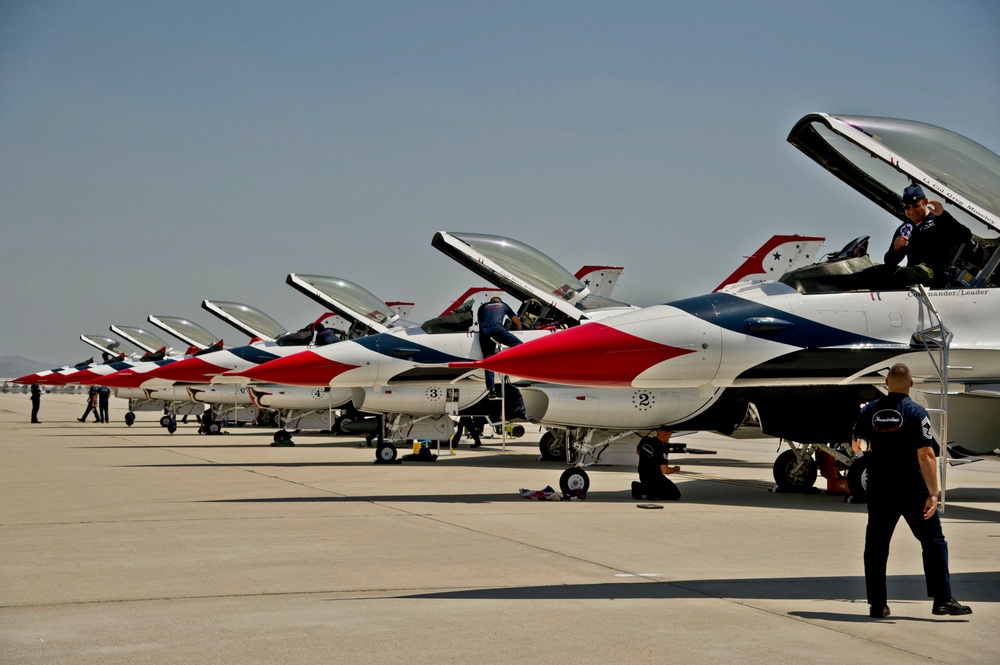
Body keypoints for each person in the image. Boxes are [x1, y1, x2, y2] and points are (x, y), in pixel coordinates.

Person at [852, 363, 971, 618]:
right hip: (911, 488)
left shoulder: (869, 411)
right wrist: (934, 492)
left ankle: (877, 603)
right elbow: (926, 454)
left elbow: (856, 445)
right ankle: (942, 600)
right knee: (933, 541)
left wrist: (875, 446)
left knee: (876, 544)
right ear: (911, 384)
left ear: (886, 383)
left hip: (880, 487)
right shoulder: (917, 412)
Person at [880, 184, 972, 288]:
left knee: (904, 275)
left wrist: (943, 215)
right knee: (876, 272)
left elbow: (965, 235)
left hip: (935, 274)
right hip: (912, 274)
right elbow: (889, 262)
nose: (911, 211)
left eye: (915, 205)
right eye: (907, 207)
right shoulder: (905, 229)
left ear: (925, 202)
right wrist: (895, 249)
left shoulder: (939, 219)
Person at [477, 297, 523, 397]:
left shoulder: (483, 306)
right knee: (521, 346)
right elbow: (517, 322)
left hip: (484, 331)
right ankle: (512, 363)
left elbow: (480, 323)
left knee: (488, 359)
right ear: (500, 301)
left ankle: (491, 390)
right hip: (497, 329)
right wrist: (520, 331)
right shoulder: (504, 305)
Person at [631, 425, 681, 500]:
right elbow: (665, 470)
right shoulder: (662, 449)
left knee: (652, 486)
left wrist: (648, 458)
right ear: (664, 436)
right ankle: (647, 490)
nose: (669, 438)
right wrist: (675, 469)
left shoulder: (645, 440)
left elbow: (638, 452)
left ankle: (644, 488)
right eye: (669, 435)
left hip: (643, 475)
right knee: (675, 494)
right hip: (656, 478)